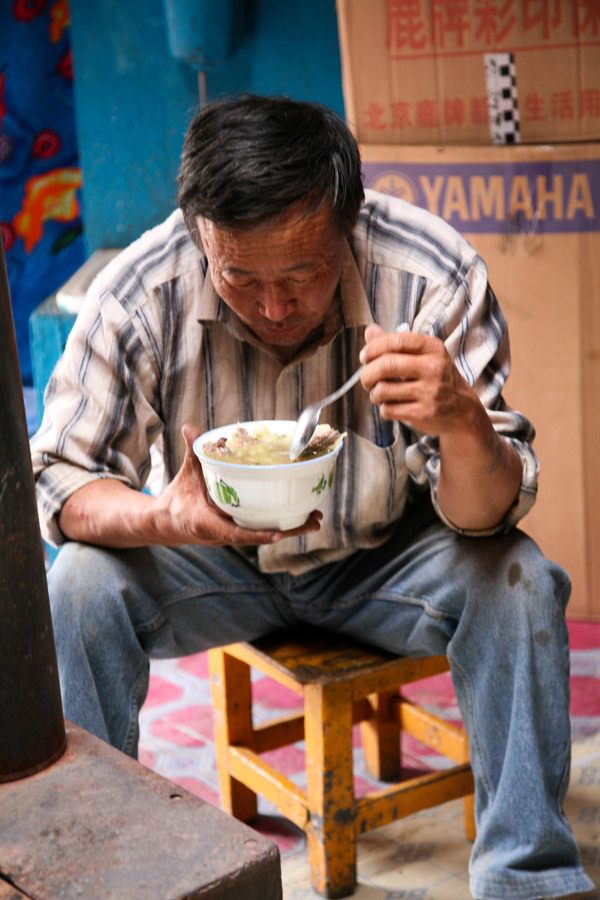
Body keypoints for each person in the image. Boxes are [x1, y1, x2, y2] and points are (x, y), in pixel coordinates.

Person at [31, 94, 594, 899]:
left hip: (387, 561)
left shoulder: (430, 275)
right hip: (211, 559)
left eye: (301, 274)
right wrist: (165, 517)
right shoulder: (138, 292)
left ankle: (529, 877)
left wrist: (466, 425)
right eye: (240, 277)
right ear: (200, 235)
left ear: (348, 224)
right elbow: (58, 479)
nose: (272, 307)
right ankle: (90, 879)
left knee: (522, 581)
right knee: (78, 587)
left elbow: (486, 514)